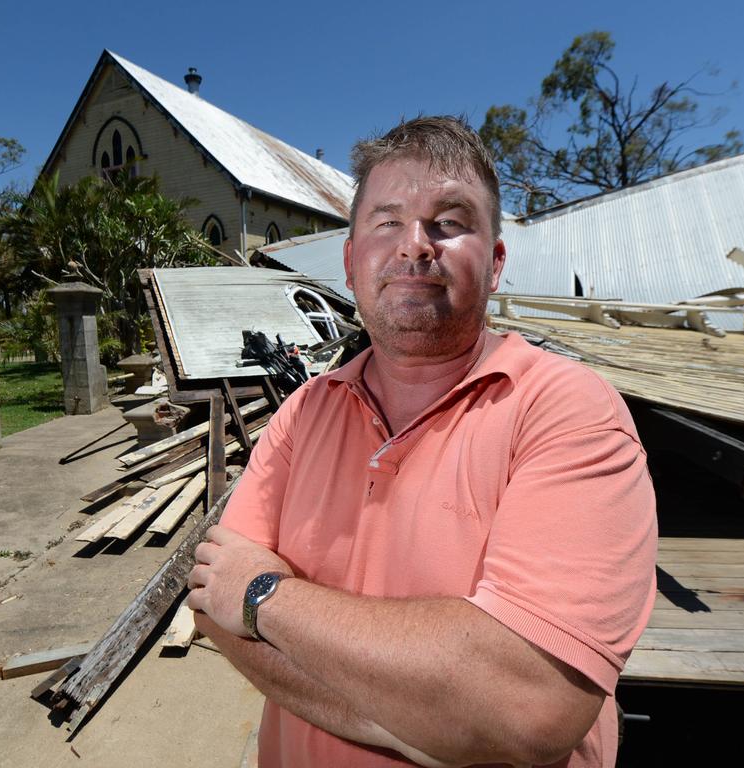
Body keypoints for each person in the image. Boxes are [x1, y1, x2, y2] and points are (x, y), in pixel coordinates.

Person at [187, 116, 657, 768]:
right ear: (351, 263)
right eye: (387, 222)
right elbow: (213, 600)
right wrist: (435, 722)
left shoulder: (567, 413)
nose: (414, 246)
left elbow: (530, 706)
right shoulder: (303, 413)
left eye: (449, 222)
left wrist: (267, 597)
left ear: (495, 263)